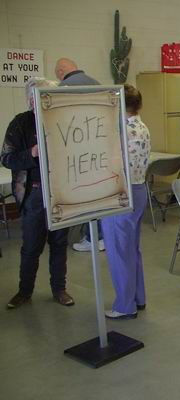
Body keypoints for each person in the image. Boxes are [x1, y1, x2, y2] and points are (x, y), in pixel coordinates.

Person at [1, 77, 74, 309]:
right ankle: (24, 292)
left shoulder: (62, 120)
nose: (43, 102)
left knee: (59, 244)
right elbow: (6, 158)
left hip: (60, 192)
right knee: (31, 247)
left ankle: (59, 289)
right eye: (39, 97)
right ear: (30, 100)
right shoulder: (20, 123)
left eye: (47, 96)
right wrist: (31, 153)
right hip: (33, 194)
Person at [101, 84, 151, 320]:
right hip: (139, 190)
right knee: (132, 249)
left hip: (120, 194)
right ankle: (137, 297)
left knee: (120, 252)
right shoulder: (142, 127)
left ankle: (124, 305)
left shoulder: (120, 130)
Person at [54, 57, 104, 252]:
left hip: (76, 155)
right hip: (100, 151)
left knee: (85, 198)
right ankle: (100, 235)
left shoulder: (61, 88)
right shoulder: (97, 84)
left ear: (60, 72)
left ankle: (91, 238)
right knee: (99, 197)